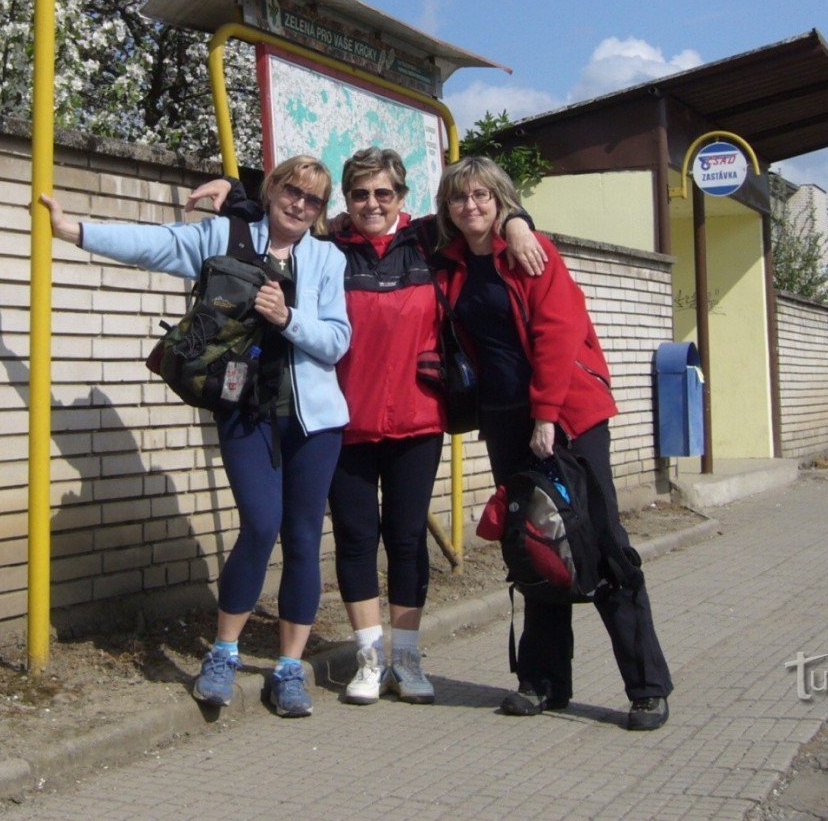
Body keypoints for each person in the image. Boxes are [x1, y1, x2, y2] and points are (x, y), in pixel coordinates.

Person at [190, 149, 542, 706]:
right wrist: (235, 189)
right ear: (346, 203)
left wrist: (519, 220)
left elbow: (480, 212)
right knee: (355, 542)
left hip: (417, 419)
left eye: (383, 193)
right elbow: (281, 216)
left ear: (402, 197)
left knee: (406, 541)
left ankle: (407, 657)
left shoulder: (428, 240)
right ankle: (370, 658)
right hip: (346, 422)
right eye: (360, 194)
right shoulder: (331, 247)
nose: (372, 204)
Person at [39, 154, 350, 719]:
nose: (300, 205)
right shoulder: (224, 235)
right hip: (243, 411)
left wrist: (288, 318)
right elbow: (157, 245)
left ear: (321, 211)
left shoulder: (326, 258)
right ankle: (224, 654)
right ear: (273, 189)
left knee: (303, 538)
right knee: (260, 524)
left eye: (314, 200)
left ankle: (288, 670)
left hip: (314, 422)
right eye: (293, 191)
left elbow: (335, 342)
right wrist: (76, 232)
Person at [430, 155, 673, 731]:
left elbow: (557, 334)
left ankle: (646, 686)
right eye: (460, 198)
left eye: (484, 197)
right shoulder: (451, 262)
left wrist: (546, 416)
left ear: (501, 200)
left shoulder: (531, 253)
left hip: (568, 417)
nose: (472, 207)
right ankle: (543, 682)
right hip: (505, 421)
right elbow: (369, 223)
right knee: (534, 545)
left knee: (602, 543)